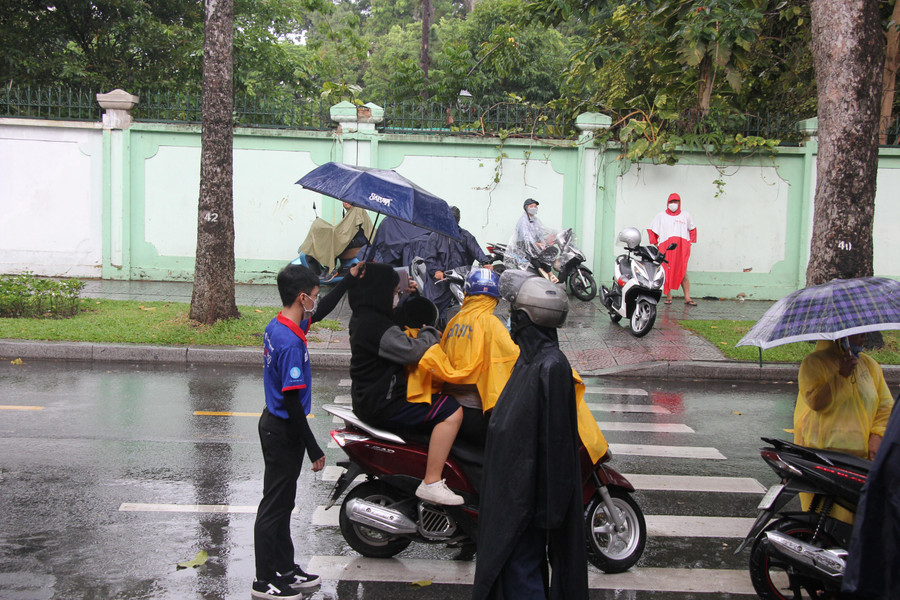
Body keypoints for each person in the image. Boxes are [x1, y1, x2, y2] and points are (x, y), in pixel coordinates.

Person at [471, 274, 589, 600]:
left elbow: (556, 444)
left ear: (523, 318)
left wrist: (548, 512)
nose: (508, 319)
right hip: (510, 499)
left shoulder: (551, 366)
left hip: (526, 506)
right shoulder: (527, 361)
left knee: (522, 575)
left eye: (513, 313)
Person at [252, 262, 360, 599]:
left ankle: (285, 568)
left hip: (278, 425)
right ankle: (263, 579)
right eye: (313, 295)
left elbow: (324, 310)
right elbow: (294, 404)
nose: (316, 300)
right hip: (283, 428)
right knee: (274, 505)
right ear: (301, 297)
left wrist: (346, 281)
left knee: (284, 502)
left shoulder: (281, 323)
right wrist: (314, 449)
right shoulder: (290, 344)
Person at [347, 262, 465, 505]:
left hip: (370, 398)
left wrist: (412, 296)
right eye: (394, 291)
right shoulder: (376, 327)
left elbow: (397, 321)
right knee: (451, 410)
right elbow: (413, 352)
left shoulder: (365, 316)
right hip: (385, 404)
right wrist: (429, 333)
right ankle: (431, 481)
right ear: (380, 291)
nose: (396, 295)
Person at [793, 333, 894, 521]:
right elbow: (816, 401)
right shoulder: (814, 363)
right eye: (857, 332)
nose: (864, 335)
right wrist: (841, 376)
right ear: (841, 337)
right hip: (825, 457)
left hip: (861, 460)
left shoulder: (869, 365)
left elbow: (885, 405)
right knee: (827, 518)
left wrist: (877, 435)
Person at [842, 395, 900, 599]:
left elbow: (886, 404)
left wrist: (876, 434)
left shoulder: (871, 369)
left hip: (865, 458)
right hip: (828, 452)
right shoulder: (817, 367)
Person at [422, 206, 494, 323]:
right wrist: (436, 271)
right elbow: (429, 258)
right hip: (440, 279)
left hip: (460, 277)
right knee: (432, 307)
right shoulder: (435, 236)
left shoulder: (465, 236)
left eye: (455, 218)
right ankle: (430, 327)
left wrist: (485, 263)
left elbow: (476, 250)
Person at [298, 201, 373, 277]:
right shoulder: (349, 213)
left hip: (360, 240)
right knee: (333, 239)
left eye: (348, 200)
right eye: (344, 200)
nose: (346, 202)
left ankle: (330, 269)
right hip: (355, 239)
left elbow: (343, 232)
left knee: (333, 241)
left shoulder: (357, 209)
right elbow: (343, 230)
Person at [648, 192, 697, 305]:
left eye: (675, 201)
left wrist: (690, 243)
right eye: (671, 202)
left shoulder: (686, 215)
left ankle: (687, 298)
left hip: (681, 248)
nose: (673, 204)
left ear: (679, 203)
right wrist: (656, 244)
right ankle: (668, 297)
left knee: (683, 272)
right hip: (666, 248)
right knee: (666, 271)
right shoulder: (661, 216)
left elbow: (693, 229)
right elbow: (651, 229)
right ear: (667, 203)